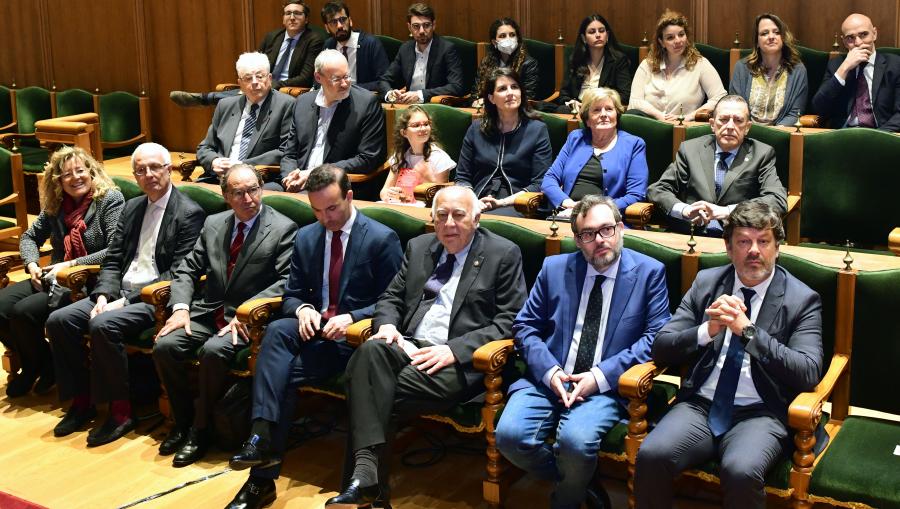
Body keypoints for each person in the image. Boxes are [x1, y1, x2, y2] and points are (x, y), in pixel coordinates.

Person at [324, 186, 527, 508]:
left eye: (458, 216)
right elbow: (391, 297)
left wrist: (454, 350)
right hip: (406, 345)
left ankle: (365, 485)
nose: (449, 224)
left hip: (457, 361)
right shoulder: (419, 247)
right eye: (442, 216)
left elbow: (510, 320)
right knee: (370, 352)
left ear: (476, 218)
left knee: (368, 387)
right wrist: (388, 325)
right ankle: (368, 486)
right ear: (432, 219)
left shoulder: (503, 253)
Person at [224, 165, 403, 509]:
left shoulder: (381, 238)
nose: (326, 217)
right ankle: (259, 437)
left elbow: (393, 300)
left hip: (353, 340)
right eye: (317, 210)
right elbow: (291, 294)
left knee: (280, 379)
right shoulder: (307, 236)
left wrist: (352, 317)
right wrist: (303, 307)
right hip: (314, 330)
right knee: (278, 328)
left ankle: (261, 477)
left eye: (332, 208)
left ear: (349, 197)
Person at [634, 201, 824, 509]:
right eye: (744, 242)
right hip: (700, 405)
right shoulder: (707, 283)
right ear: (728, 247)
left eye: (763, 241)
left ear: (777, 248)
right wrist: (706, 330)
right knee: (652, 455)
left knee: (741, 471)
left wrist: (747, 332)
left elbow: (807, 371)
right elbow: (662, 345)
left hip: (761, 411)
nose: (754, 250)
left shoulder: (801, 300)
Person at [496, 194, 670, 509]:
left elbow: (655, 337)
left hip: (606, 386)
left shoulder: (649, 273)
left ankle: (566, 499)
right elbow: (524, 327)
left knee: (575, 444)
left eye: (606, 230)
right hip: (550, 378)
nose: (599, 240)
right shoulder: (554, 268)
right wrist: (550, 373)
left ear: (621, 229)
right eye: (588, 234)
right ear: (577, 240)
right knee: (509, 437)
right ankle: (581, 482)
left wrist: (598, 377)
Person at [45, 143, 205, 445]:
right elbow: (114, 259)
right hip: (118, 292)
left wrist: (123, 302)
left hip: (154, 298)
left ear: (168, 169)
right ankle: (82, 402)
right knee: (59, 320)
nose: (149, 175)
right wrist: (105, 295)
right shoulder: (132, 208)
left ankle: (120, 412)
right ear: (135, 175)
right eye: (141, 170)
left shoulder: (189, 213)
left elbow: (180, 271)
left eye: (155, 167)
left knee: (104, 324)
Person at [152, 164, 298, 468]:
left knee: (214, 352)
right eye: (238, 192)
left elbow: (286, 281)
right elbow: (187, 269)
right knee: (165, 346)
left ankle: (200, 430)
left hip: (249, 320)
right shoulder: (215, 224)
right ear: (226, 195)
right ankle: (181, 423)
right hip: (208, 312)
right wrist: (180, 308)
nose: (248, 198)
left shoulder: (283, 228)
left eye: (253, 190)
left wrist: (247, 312)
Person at [0, 147, 124, 398]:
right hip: (51, 274)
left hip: (88, 279)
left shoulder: (109, 200)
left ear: (92, 172)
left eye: (80, 171)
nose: (76, 177)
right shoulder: (57, 205)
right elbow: (29, 237)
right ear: (58, 180)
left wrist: (70, 265)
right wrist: (32, 264)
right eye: (67, 174)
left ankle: (38, 367)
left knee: (23, 313)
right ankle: (42, 363)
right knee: (1, 306)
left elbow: (113, 250)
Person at [647, 95, 787, 236]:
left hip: (739, 237)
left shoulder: (761, 154)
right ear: (712, 124)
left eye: (738, 121)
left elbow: (777, 199)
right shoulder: (690, 149)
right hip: (690, 233)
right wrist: (685, 210)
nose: (730, 126)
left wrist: (726, 211)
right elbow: (659, 189)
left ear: (747, 128)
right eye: (724, 120)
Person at [170, 1, 325, 107]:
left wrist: (276, 84)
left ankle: (204, 98)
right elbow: (253, 64)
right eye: (288, 13)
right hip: (261, 83)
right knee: (248, 89)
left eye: (297, 14)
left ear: (306, 19)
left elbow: (305, 78)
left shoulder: (313, 40)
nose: (292, 17)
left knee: (248, 93)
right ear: (283, 19)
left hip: (285, 90)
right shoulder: (273, 37)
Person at [279, 49, 387, 192]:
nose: (344, 84)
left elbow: (368, 158)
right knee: (262, 195)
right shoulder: (303, 102)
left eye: (347, 76)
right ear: (318, 77)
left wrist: (314, 174)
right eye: (336, 79)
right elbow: (290, 154)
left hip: (336, 185)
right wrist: (289, 177)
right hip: (299, 182)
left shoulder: (366, 103)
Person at [455, 68, 552, 215]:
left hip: (518, 203)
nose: (510, 93)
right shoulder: (476, 129)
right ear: (491, 98)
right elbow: (462, 177)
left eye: (514, 87)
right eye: (502, 89)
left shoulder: (537, 130)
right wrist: (473, 201)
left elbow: (539, 183)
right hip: (477, 200)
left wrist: (502, 202)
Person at [542, 87, 648, 217]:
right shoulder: (575, 138)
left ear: (617, 114)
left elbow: (636, 195)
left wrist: (590, 210)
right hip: (567, 215)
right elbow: (549, 179)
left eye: (609, 109)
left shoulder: (634, 145)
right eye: (597, 110)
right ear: (587, 119)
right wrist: (567, 203)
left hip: (607, 219)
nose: (603, 114)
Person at [194, 52, 296, 183]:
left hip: (259, 179)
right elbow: (205, 147)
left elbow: (285, 152)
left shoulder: (286, 105)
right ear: (240, 83)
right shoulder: (225, 105)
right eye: (248, 78)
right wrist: (214, 161)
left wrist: (239, 166)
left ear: (269, 78)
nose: (254, 82)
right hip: (219, 178)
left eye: (260, 76)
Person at [629, 10, 726, 122]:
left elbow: (720, 97)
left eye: (681, 34)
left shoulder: (700, 64)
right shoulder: (647, 65)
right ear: (661, 42)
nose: (678, 41)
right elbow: (635, 101)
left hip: (686, 127)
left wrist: (688, 117)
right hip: (650, 127)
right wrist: (658, 116)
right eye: (670, 37)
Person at [812, 13, 900, 132]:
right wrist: (844, 68)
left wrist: (877, 137)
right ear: (843, 41)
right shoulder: (837, 65)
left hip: (881, 135)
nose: (858, 43)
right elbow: (818, 108)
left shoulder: (895, 65)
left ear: (874, 34)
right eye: (850, 38)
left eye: (863, 35)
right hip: (843, 136)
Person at [729, 13, 807, 126]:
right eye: (764, 33)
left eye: (776, 32)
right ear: (757, 42)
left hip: (781, 135)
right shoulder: (742, 67)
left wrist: (775, 134)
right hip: (746, 132)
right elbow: (736, 107)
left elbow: (795, 113)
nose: (771, 37)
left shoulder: (797, 70)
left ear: (783, 38)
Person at [377, 3, 464, 104]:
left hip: (434, 106)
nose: (422, 31)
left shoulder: (446, 49)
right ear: (409, 27)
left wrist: (420, 95)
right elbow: (384, 80)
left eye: (426, 25)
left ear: (434, 25)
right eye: (416, 26)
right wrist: (391, 95)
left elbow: (456, 86)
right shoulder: (405, 49)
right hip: (407, 107)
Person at [556, 14, 633, 114]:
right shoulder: (576, 59)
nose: (598, 35)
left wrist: (597, 103)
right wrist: (572, 103)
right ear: (584, 38)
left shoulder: (618, 60)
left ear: (607, 35)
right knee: (561, 110)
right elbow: (564, 94)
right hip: (577, 107)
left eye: (601, 31)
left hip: (603, 108)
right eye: (592, 32)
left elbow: (625, 95)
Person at [380, 105, 455, 204]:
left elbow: (443, 199)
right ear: (404, 132)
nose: (423, 128)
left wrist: (428, 178)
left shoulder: (439, 157)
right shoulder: (400, 155)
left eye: (426, 124)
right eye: (416, 125)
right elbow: (384, 191)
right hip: (400, 205)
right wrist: (389, 194)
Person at [320, 1, 390, 92]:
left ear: (350, 21)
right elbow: (320, 78)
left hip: (363, 97)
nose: (340, 26)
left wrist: (350, 89)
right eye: (333, 22)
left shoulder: (371, 43)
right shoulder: (328, 46)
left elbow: (383, 81)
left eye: (343, 19)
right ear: (326, 28)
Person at [472, 18, 540, 107]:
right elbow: (475, 93)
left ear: (517, 38)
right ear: (494, 42)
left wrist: (494, 102)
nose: (508, 39)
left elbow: (528, 96)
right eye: (503, 36)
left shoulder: (528, 63)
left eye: (512, 35)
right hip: (487, 110)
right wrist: (476, 102)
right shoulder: (486, 62)